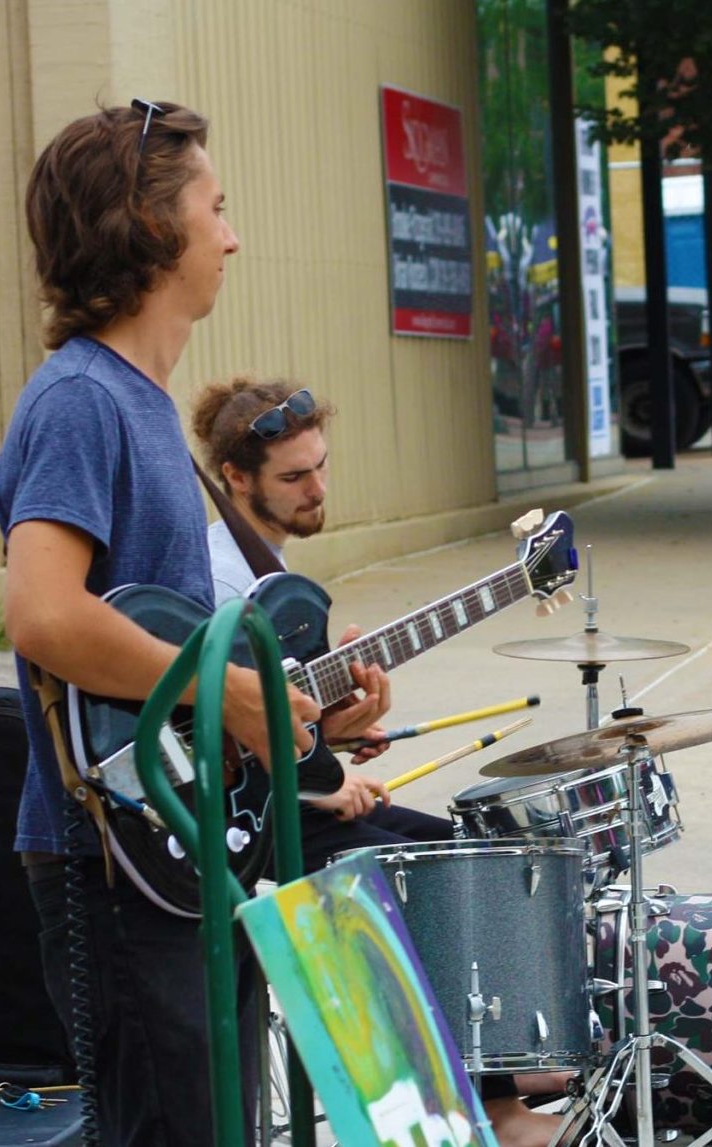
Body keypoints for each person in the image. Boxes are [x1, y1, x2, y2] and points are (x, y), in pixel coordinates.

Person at [0, 101, 391, 1147]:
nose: (231, 234)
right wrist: (226, 691)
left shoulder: (138, 405)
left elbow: (169, 672)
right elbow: (43, 612)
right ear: (151, 228)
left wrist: (302, 722)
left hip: (173, 846)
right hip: (111, 858)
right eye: (215, 208)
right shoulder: (81, 401)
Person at [187, 376, 567, 1147]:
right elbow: (218, 737)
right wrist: (327, 786)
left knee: (469, 843)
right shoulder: (220, 579)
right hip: (239, 822)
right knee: (433, 872)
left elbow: (288, 724)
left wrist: (343, 728)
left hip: (282, 794)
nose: (316, 487)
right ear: (235, 479)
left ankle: (507, 1057)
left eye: (320, 465)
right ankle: (496, 1111)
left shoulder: (277, 581)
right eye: (294, 476)